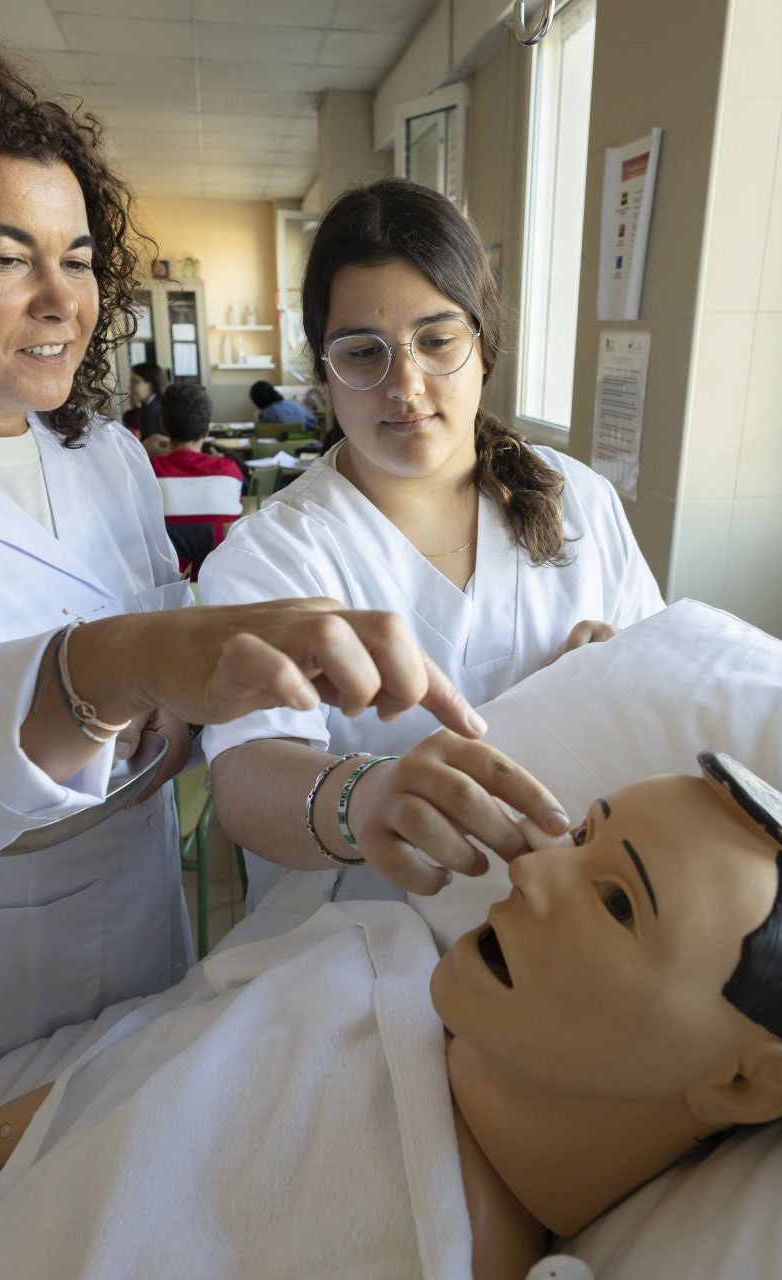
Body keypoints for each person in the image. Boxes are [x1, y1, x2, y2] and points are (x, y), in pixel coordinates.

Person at [0, 23, 563, 1086]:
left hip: (135, 941)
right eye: (7, 257)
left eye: (77, 259)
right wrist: (107, 669)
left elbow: (179, 718)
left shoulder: (102, 456)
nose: (63, 299)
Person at [0, 752, 782, 1278]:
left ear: (745, 1080)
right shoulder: (353, 966)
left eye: (618, 900)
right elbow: (144, 1077)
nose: (532, 875)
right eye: (580, 836)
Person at [200, 179, 666, 907]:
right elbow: (243, 776)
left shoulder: (581, 503)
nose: (405, 385)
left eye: (437, 341)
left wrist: (621, 674)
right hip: (358, 950)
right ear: (322, 369)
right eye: (363, 352)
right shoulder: (273, 555)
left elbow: (668, 684)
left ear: (484, 346)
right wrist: (362, 798)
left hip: (565, 920)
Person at [151, 381, 245, 576]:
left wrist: (142, 450)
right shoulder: (228, 471)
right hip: (219, 585)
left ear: (163, 425)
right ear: (206, 431)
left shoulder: (148, 474)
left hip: (165, 590)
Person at [119, 359, 169, 448]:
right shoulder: (148, 405)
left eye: (135, 381)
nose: (130, 386)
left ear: (150, 383)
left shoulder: (155, 408)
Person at [248, 379, 318, 432]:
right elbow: (314, 422)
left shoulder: (264, 414)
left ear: (258, 400)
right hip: (305, 446)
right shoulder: (295, 404)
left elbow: (264, 434)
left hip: (276, 449)